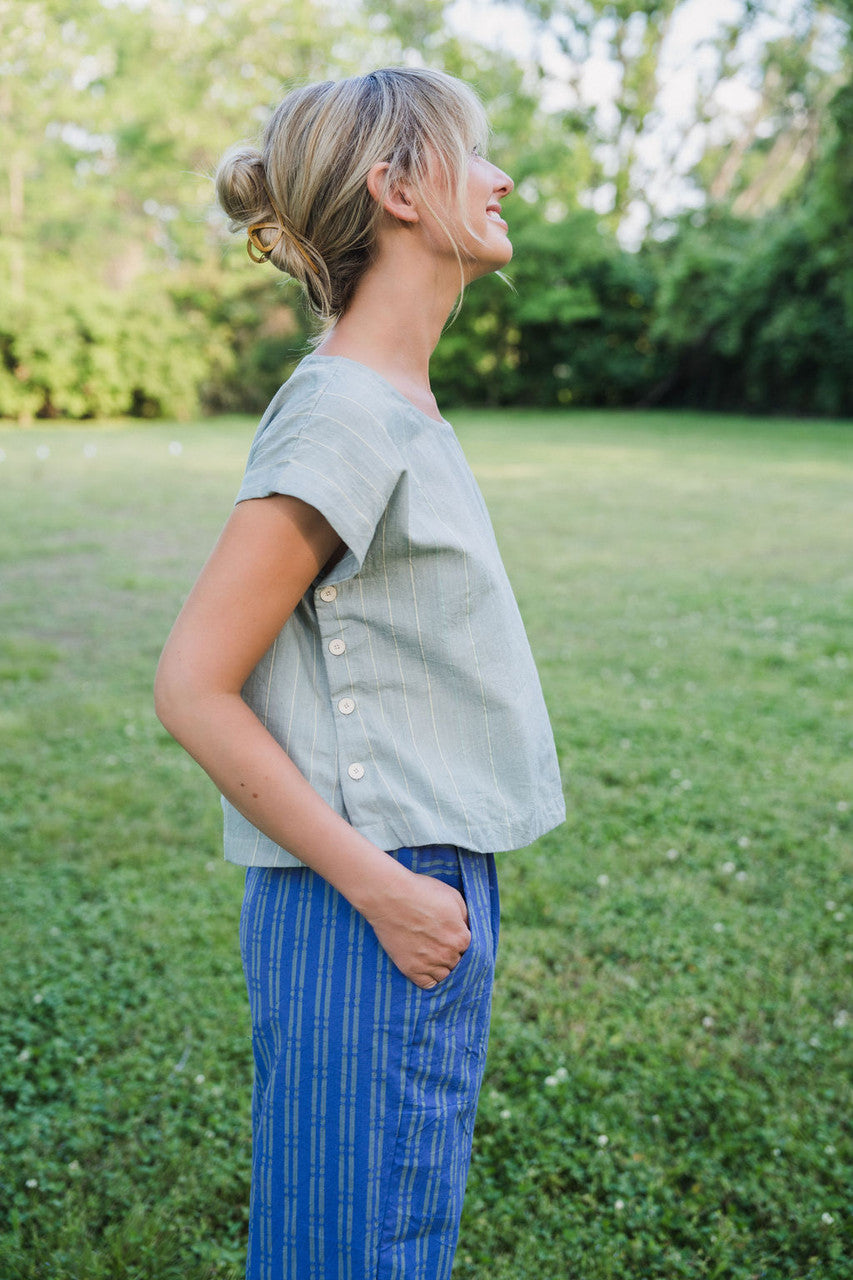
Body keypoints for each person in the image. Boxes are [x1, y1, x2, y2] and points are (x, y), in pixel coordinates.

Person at [154, 66, 565, 1280]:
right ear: (395, 189)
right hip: (372, 899)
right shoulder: (342, 409)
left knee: (378, 1235)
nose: (502, 178)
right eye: (473, 155)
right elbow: (192, 683)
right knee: (355, 1252)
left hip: (407, 888)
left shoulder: (390, 402)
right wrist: (387, 892)